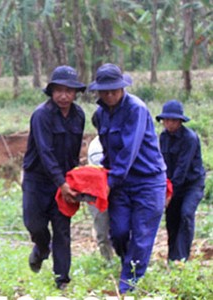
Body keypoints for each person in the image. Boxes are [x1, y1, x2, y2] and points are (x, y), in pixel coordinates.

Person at [89, 63, 167, 293]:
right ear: (98, 91)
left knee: (142, 233)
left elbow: (128, 151)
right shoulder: (100, 115)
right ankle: (130, 265)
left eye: (114, 90)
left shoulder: (136, 109)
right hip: (121, 182)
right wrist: (101, 178)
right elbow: (107, 151)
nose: (110, 95)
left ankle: (128, 285)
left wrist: (109, 183)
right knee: (119, 231)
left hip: (148, 181)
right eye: (105, 91)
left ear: (122, 88)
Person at [22, 65, 86, 290]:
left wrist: (72, 181)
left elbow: (75, 152)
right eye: (59, 90)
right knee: (35, 225)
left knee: (62, 230)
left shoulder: (79, 115)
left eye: (69, 90)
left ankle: (62, 281)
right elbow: (45, 152)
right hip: (37, 181)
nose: (64, 95)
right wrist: (62, 182)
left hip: (64, 183)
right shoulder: (41, 115)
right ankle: (41, 248)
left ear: (76, 92)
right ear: (51, 91)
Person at [156, 99, 205, 262]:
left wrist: (169, 192)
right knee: (172, 219)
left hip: (191, 184)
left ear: (180, 121)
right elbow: (161, 163)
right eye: (166, 120)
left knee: (186, 214)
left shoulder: (189, 138)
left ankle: (182, 257)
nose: (169, 124)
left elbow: (182, 168)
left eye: (173, 120)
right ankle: (172, 256)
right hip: (172, 184)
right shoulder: (163, 137)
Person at [86, 134, 114, 262]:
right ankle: (108, 261)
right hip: (97, 192)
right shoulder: (95, 146)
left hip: (118, 189)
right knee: (102, 232)